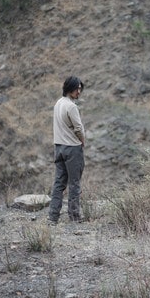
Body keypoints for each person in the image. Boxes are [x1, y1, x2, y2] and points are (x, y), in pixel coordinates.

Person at [48, 76, 86, 225]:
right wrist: (83, 141)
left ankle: (53, 217)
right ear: (70, 88)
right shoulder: (71, 106)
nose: (79, 92)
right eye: (77, 89)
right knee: (74, 183)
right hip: (72, 148)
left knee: (58, 183)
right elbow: (78, 128)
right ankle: (74, 216)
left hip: (59, 147)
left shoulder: (58, 103)